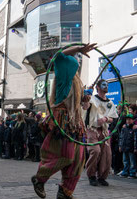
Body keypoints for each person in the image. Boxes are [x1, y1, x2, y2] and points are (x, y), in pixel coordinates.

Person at [31, 44, 96, 199]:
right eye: (74, 62)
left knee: (79, 160)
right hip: (63, 120)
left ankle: (65, 191)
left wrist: (85, 97)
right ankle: (39, 179)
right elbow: (57, 55)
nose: (76, 65)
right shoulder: (63, 77)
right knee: (65, 155)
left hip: (75, 123)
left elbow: (84, 105)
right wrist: (79, 48)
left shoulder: (76, 82)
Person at [83, 79, 118, 187]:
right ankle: (91, 175)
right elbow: (85, 107)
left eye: (107, 85)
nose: (106, 86)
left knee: (107, 154)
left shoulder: (110, 103)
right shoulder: (92, 99)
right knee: (95, 150)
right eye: (103, 85)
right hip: (92, 129)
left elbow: (113, 118)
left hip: (104, 130)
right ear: (97, 87)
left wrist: (106, 119)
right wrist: (86, 97)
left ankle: (102, 177)